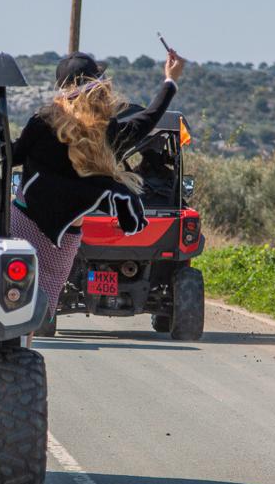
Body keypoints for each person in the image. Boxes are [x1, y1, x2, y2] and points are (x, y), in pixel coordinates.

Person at [11, 49, 185, 337]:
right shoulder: (104, 132)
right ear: (97, 86)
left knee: (14, 304)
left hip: (23, 222)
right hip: (63, 239)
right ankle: (20, 358)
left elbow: (12, 156)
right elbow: (147, 120)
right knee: (38, 312)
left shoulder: (40, 122)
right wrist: (170, 81)